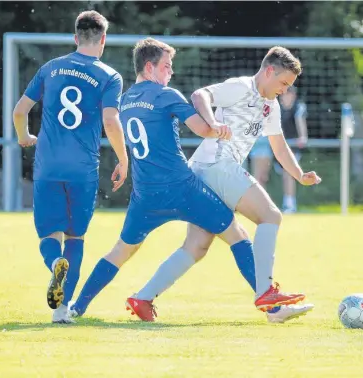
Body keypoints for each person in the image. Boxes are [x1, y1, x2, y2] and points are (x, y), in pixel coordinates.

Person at [69, 38, 306, 321]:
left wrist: (123, 159)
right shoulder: (169, 95)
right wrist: (216, 128)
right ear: (150, 67)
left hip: (145, 194)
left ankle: (80, 307)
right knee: (241, 232)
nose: (171, 73)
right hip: (184, 187)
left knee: (134, 250)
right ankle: (268, 298)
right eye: (167, 66)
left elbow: (112, 125)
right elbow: (204, 127)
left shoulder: (126, 101)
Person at [127, 46, 320, 323]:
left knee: (196, 247)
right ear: (268, 71)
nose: (284, 89)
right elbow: (199, 95)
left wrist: (300, 175)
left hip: (206, 170)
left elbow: (279, 147)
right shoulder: (241, 87)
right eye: (283, 83)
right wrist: (214, 121)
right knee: (270, 216)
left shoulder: (271, 106)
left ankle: (142, 298)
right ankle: (266, 292)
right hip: (216, 166)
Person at [12, 10, 128, 323]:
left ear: (76, 38)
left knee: (50, 235)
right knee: (75, 238)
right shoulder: (109, 76)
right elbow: (110, 120)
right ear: (103, 39)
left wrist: (24, 137)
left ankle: (54, 265)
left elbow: (20, 110)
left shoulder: (50, 68)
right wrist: (123, 157)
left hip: (48, 166)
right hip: (83, 170)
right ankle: (62, 312)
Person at [249, 86, 308, 213]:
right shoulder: (273, 107)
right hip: (272, 145)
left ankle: (289, 204)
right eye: (284, 95)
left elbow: (300, 123)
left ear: (293, 96)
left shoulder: (298, 108)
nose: (286, 97)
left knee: (289, 173)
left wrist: (303, 137)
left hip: (290, 147)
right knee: (260, 176)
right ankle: (261, 206)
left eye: (288, 94)